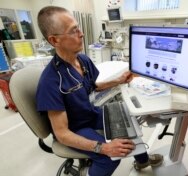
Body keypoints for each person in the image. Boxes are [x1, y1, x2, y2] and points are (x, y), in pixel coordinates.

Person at [36, 6, 163, 176]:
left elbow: (91, 86)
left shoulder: (82, 60)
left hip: (89, 113)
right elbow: (62, 134)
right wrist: (102, 147)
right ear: (54, 40)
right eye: (73, 31)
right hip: (75, 128)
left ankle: (143, 162)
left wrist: (118, 81)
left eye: (78, 28)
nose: (81, 34)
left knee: (128, 119)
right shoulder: (50, 81)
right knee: (110, 157)